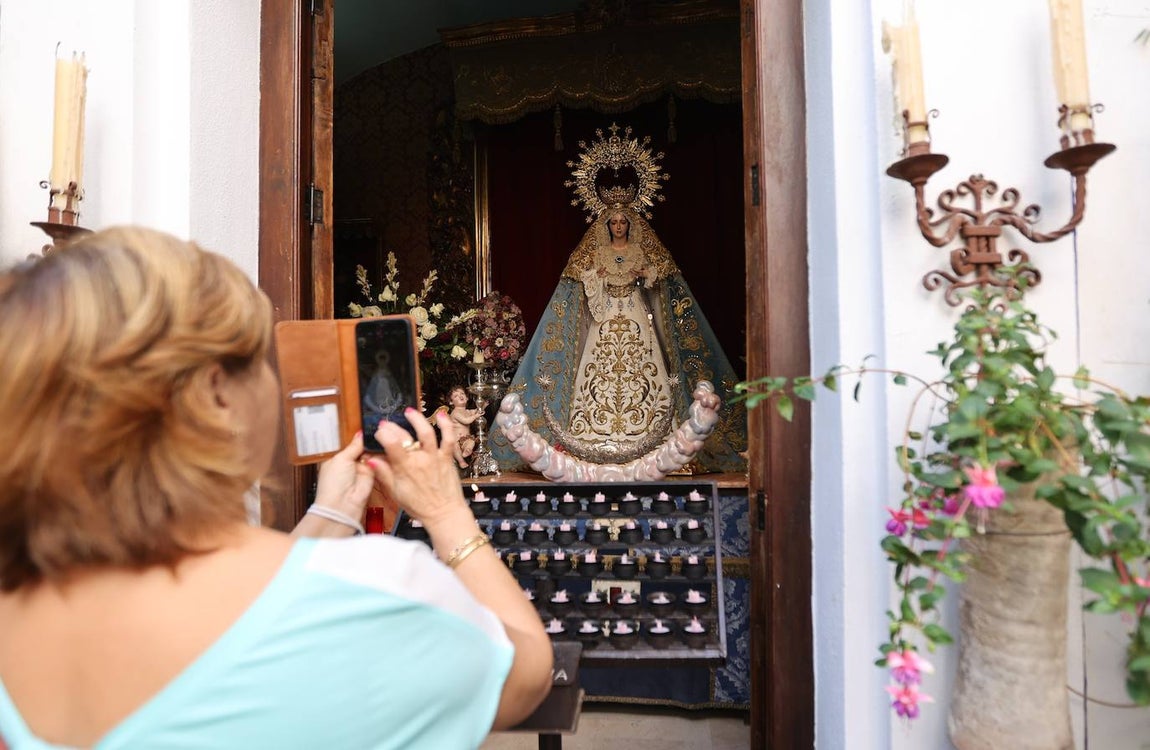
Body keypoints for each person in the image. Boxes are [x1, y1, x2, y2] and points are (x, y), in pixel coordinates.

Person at [0, 227, 552, 749]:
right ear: (217, 394)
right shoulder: (371, 596)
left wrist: (333, 511)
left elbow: (248, 614)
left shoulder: (17, 603)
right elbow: (525, 673)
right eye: (263, 359)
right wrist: (443, 508)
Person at [493, 203, 747, 473]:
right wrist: (596, 278)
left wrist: (645, 275)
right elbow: (584, 280)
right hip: (604, 318)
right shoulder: (599, 253)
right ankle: (590, 435)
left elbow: (657, 276)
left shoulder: (638, 251)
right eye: (613, 222)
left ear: (630, 225)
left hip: (635, 312)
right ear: (607, 226)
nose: (618, 226)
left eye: (622, 222)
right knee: (599, 366)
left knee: (642, 365)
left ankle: (654, 433)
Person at [443, 385, 480, 469]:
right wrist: (476, 416)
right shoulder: (455, 413)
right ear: (451, 402)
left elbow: (476, 411)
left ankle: (467, 450)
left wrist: (483, 405)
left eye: (462, 393)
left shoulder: (467, 411)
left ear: (467, 398)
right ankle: (461, 461)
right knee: (455, 447)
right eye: (456, 396)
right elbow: (466, 421)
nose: (460, 396)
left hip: (466, 439)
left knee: (472, 441)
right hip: (456, 440)